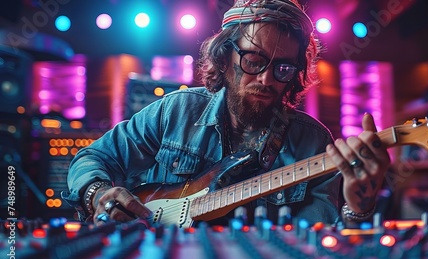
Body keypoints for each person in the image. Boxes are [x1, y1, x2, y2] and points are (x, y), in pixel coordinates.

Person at [63, 0, 391, 227]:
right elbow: (91, 158)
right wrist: (99, 194)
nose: (266, 78)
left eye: (283, 67)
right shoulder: (176, 110)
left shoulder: (314, 142)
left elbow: (319, 241)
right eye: (253, 60)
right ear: (225, 58)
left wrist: (359, 209)